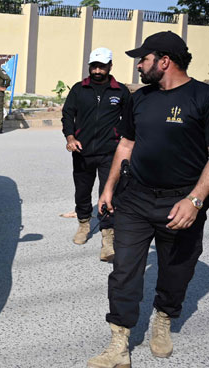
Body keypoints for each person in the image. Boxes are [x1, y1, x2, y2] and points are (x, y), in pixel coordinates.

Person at [88, 31, 209, 368]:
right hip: (135, 199)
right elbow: (126, 144)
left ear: (164, 61)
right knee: (124, 270)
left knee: (175, 270)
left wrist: (195, 200)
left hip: (181, 205)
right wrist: (109, 187)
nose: (139, 65)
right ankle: (119, 343)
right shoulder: (139, 98)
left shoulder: (203, 97)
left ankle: (163, 319)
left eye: (144, 59)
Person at [61, 47, 130, 261]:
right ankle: (83, 224)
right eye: (94, 66)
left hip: (110, 153)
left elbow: (130, 120)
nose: (98, 70)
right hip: (82, 152)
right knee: (82, 191)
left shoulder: (120, 91)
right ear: (89, 66)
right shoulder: (78, 89)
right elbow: (67, 115)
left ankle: (108, 235)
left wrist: (123, 141)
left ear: (110, 66)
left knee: (109, 193)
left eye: (102, 66)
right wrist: (70, 138)